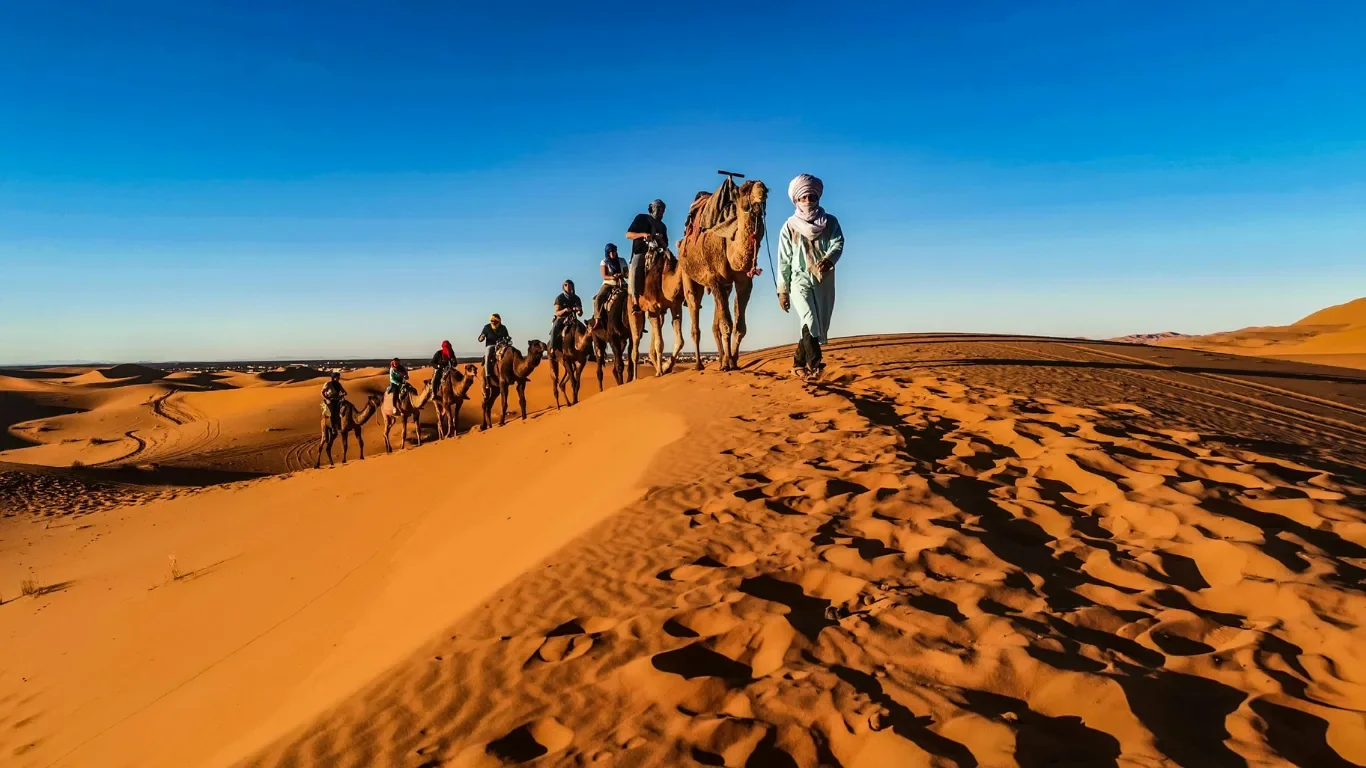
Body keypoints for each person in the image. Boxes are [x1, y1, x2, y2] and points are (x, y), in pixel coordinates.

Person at [776, 174, 844, 377]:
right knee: (809, 318)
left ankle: (798, 364)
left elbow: (838, 243)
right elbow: (784, 260)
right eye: (803, 197)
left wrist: (830, 259)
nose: (808, 201)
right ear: (796, 200)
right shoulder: (789, 226)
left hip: (823, 279)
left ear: (818, 198)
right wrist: (783, 291)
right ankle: (814, 365)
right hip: (799, 278)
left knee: (813, 322)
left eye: (812, 197)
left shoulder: (830, 222)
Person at [625, 198, 668, 311]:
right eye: (659, 209)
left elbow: (665, 245)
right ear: (652, 209)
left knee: (673, 262)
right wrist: (643, 234)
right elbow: (628, 235)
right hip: (642, 252)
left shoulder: (662, 226)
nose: (660, 212)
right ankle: (635, 301)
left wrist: (660, 239)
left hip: (658, 252)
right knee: (636, 267)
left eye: (663, 210)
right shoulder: (642, 218)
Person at [593, 243, 627, 323]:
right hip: (609, 283)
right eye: (610, 252)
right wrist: (613, 277)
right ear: (607, 253)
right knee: (599, 297)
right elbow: (604, 276)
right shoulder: (604, 262)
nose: (612, 253)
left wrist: (622, 275)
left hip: (621, 283)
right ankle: (597, 318)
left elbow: (627, 274)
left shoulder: (622, 260)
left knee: (635, 294)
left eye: (613, 251)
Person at [550, 279, 583, 350]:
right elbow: (557, 312)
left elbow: (580, 314)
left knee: (585, 329)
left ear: (572, 286)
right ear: (563, 287)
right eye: (566, 285)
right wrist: (565, 310)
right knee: (555, 326)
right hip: (562, 318)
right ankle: (552, 347)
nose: (568, 286)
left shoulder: (576, 298)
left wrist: (579, 310)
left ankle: (590, 352)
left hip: (573, 318)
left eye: (570, 285)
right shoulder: (560, 298)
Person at [479, 313, 512, 378]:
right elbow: (480, 337)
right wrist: (482, 337)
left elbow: (507, 337)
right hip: (491, 345)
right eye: (492, 321)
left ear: (499, 321)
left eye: (495, 321)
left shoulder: (503, 328)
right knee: (488, 355)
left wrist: (508, 339)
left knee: (511, 353)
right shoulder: (487, 327)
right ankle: (487, 376)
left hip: (502, 345)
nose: (493, 322)